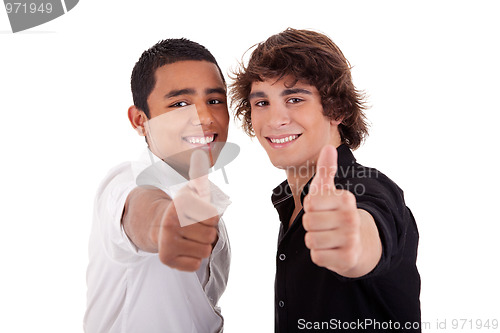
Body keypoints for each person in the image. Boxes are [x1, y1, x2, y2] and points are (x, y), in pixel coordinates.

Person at [230, 28, 421, 332]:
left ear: (337, 110)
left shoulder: (365, 187)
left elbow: (366, 227)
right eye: (262, 102)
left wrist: (352, 243)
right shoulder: (291, 201)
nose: (275, 120)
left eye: (294, 98)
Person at [84, 38, 231, 333]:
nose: (204, 117)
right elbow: (142, 210)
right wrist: (165, 225)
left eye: (214, 100)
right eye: (179, 104)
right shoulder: (126, 182)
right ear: (140, 120)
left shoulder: (204, 196)